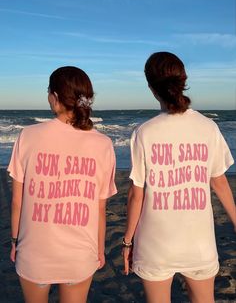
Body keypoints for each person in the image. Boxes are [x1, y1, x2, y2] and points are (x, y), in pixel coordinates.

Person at [123, 52, 236, 303]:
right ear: (183, 80)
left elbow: (136, 194)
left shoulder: (144, 132)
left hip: (155, 246)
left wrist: (127, 241)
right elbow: (219, 182)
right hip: (199, 245)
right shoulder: (208, 127)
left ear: (151, 88)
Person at [8, 66, 117, 303]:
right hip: (79, 256)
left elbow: (18, 201)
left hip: (35, 253)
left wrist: (15, 241)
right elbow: (99, 209)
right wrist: (99, 250)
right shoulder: (103, 144)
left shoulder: (27, 135)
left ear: (55, 97)